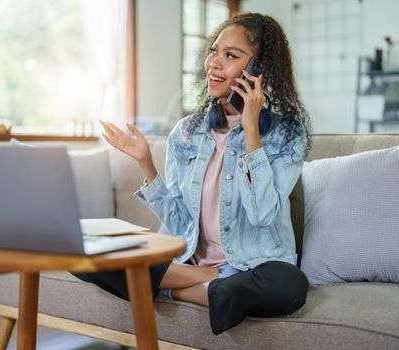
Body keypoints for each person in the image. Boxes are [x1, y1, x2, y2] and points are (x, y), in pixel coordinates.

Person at [73, 12, 312, 335]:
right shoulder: (187, 132)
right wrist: (146, 162)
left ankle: (169, 287)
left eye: (231, 56)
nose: (214, 63)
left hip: (254, 265)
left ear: (259, 70)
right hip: (193, 265)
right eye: (214, 51)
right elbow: (180, 222)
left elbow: (262, 214)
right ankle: (212, 284)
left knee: (290, 285)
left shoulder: (287, 135)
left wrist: (250, 128)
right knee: (84, 254)